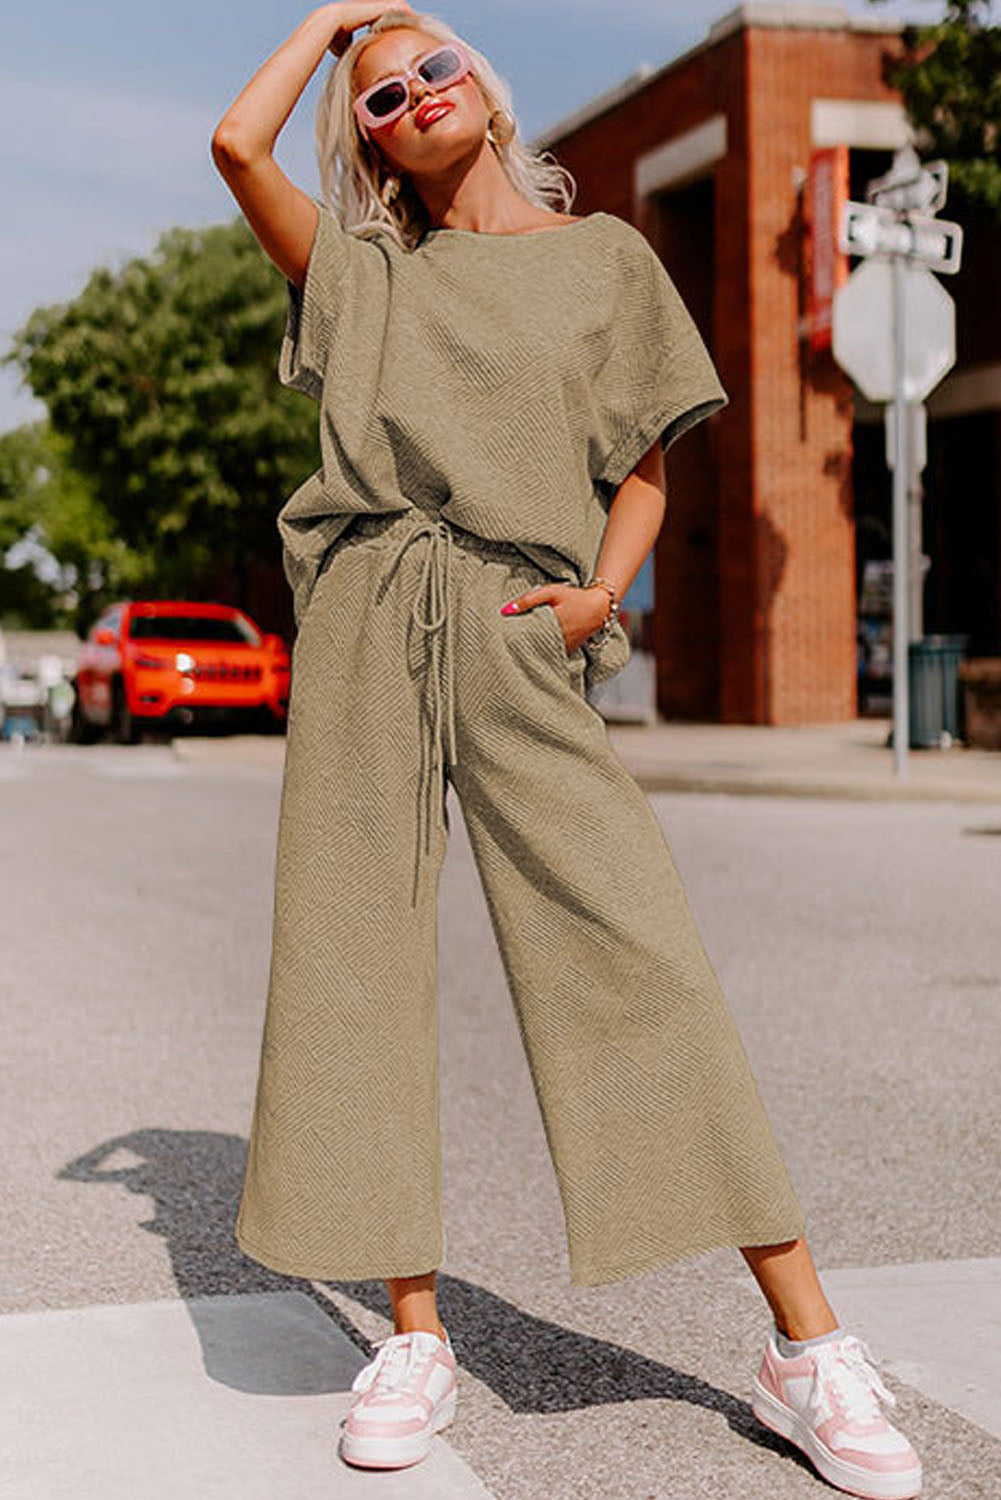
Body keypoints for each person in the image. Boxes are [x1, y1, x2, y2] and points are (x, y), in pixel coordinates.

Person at [211, 7, 922, 1496]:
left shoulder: (606, 259)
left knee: (631, 947)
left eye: (432, 66)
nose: (412, 95)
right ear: (369, 141)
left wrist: (600, 595)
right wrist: (332, 22)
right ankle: (412, 1332)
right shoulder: (364, 273)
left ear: (481, 83)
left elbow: (644, 469)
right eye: (382, 96)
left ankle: (802, 1343)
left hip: (522, 614)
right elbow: (233, 143)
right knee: (356, 958)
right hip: (367, 611)